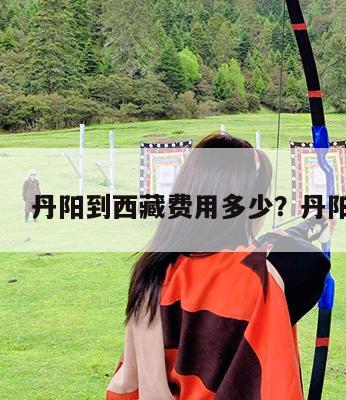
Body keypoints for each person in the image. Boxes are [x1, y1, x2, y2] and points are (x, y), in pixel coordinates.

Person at [106, 133, 331, 400]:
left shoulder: (155, 269)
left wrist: (311, 225)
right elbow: (307, 259)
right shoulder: (261, 275)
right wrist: (313, 226)